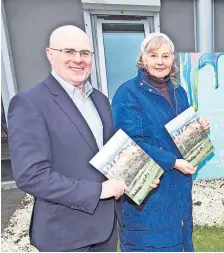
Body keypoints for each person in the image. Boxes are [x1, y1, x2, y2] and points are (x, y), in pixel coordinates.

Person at [7, 25, 159, 252]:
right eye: (69, 52)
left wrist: (138, 176)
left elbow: (109, 153)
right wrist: (99, 191)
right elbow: (31, 176)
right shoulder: (29, 103)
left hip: (106, 230)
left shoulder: (99, 99)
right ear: (50, 54)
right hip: (65, 236)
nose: (78, 59)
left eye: (85, 53)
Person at [111, 33, 210, 252]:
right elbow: (128, 144)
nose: (160, 61)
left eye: (165, 56)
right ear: (142, 59)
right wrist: (172, 161)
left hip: (179, 192)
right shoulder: (128, 94)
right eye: (153, 55)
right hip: (149, 196)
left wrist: (198, 128)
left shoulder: (179, 91)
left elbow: (182, 134)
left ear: (172, 60)